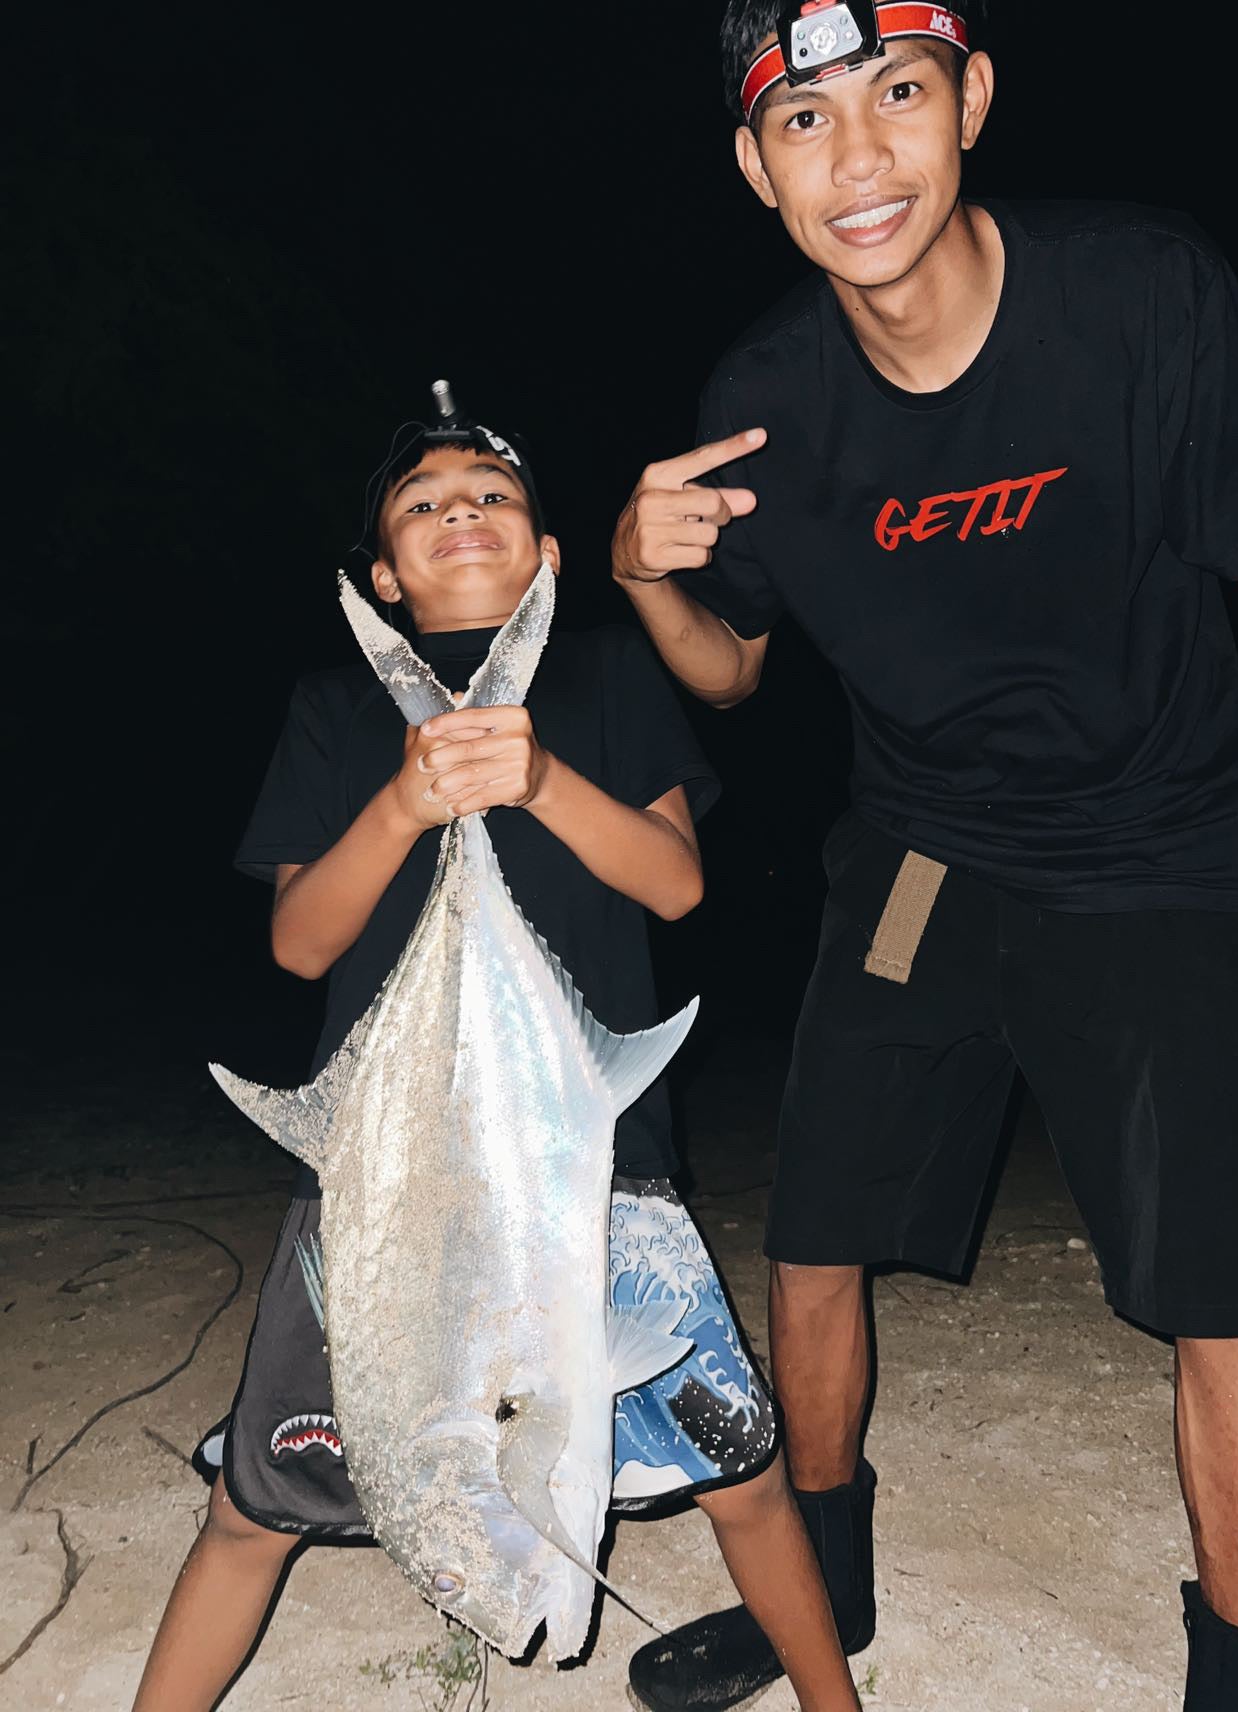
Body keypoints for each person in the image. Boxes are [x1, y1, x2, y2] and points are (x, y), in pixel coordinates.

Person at [610, 4, 1238, 1708]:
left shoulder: (1145, 296)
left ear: (972, 99)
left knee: (1221, 1283)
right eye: (807, 124)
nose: (862, 159)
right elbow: (737, 671)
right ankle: (819, 1602)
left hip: (1163, 841)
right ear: (758, 169)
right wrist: (643, 578)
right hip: (922, 851)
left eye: (899, 96)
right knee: (814, 1226)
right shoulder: (763, 399)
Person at [131, 393, 864, 1712]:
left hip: (593, 1159)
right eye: (422, 506)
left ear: (551, 557)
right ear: (383, 579)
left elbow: (678, 887)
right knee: (256, 1506)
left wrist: (532, 783)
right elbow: (300, 943)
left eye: (493, 497)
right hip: (387, 1175)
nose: (459, 512)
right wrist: (410, 801)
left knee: (745, 1482)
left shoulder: (608, 678)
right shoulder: (333, 708)